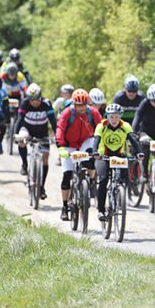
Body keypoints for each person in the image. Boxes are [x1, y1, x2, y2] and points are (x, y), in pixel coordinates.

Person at [55, 88, 102, 221]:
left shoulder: (93, 112)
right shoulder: (67, 113)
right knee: (67, 175)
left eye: (84, 104)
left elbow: (100, 128)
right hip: (69, 144)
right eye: (78, 105)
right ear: (74, 104)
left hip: (86, 141)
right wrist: (60, 147)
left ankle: (92, 182)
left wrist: (102, 146)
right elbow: (60, 129)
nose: (81, 108)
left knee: (92, 157)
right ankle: (64, 207)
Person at [92, 103, 144, 221]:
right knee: (104, 179)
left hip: (119, 155)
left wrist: (139, 152)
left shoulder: (125, 126)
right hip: (103, 156)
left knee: (125, 178)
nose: (114, 119)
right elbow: (96, 140)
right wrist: (95, 152)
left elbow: (133, 139)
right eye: (111, 117)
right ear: (107, 117)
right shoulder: (102, 126)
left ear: (120, 116)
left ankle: (119, 193)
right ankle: (101, 210)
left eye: (116, 117)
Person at [15, 83, 57, 198]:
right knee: (22, 140)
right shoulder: (24, 103)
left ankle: (42, 187)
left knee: (45, 158)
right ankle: (24, 163)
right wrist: (16, 134)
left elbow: (53, 120)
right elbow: (19, 120)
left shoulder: (46, 103)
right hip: (27, 128)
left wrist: (57, 134)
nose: (35, 103)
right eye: (32, 100)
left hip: (42, 132)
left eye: (37, 100)